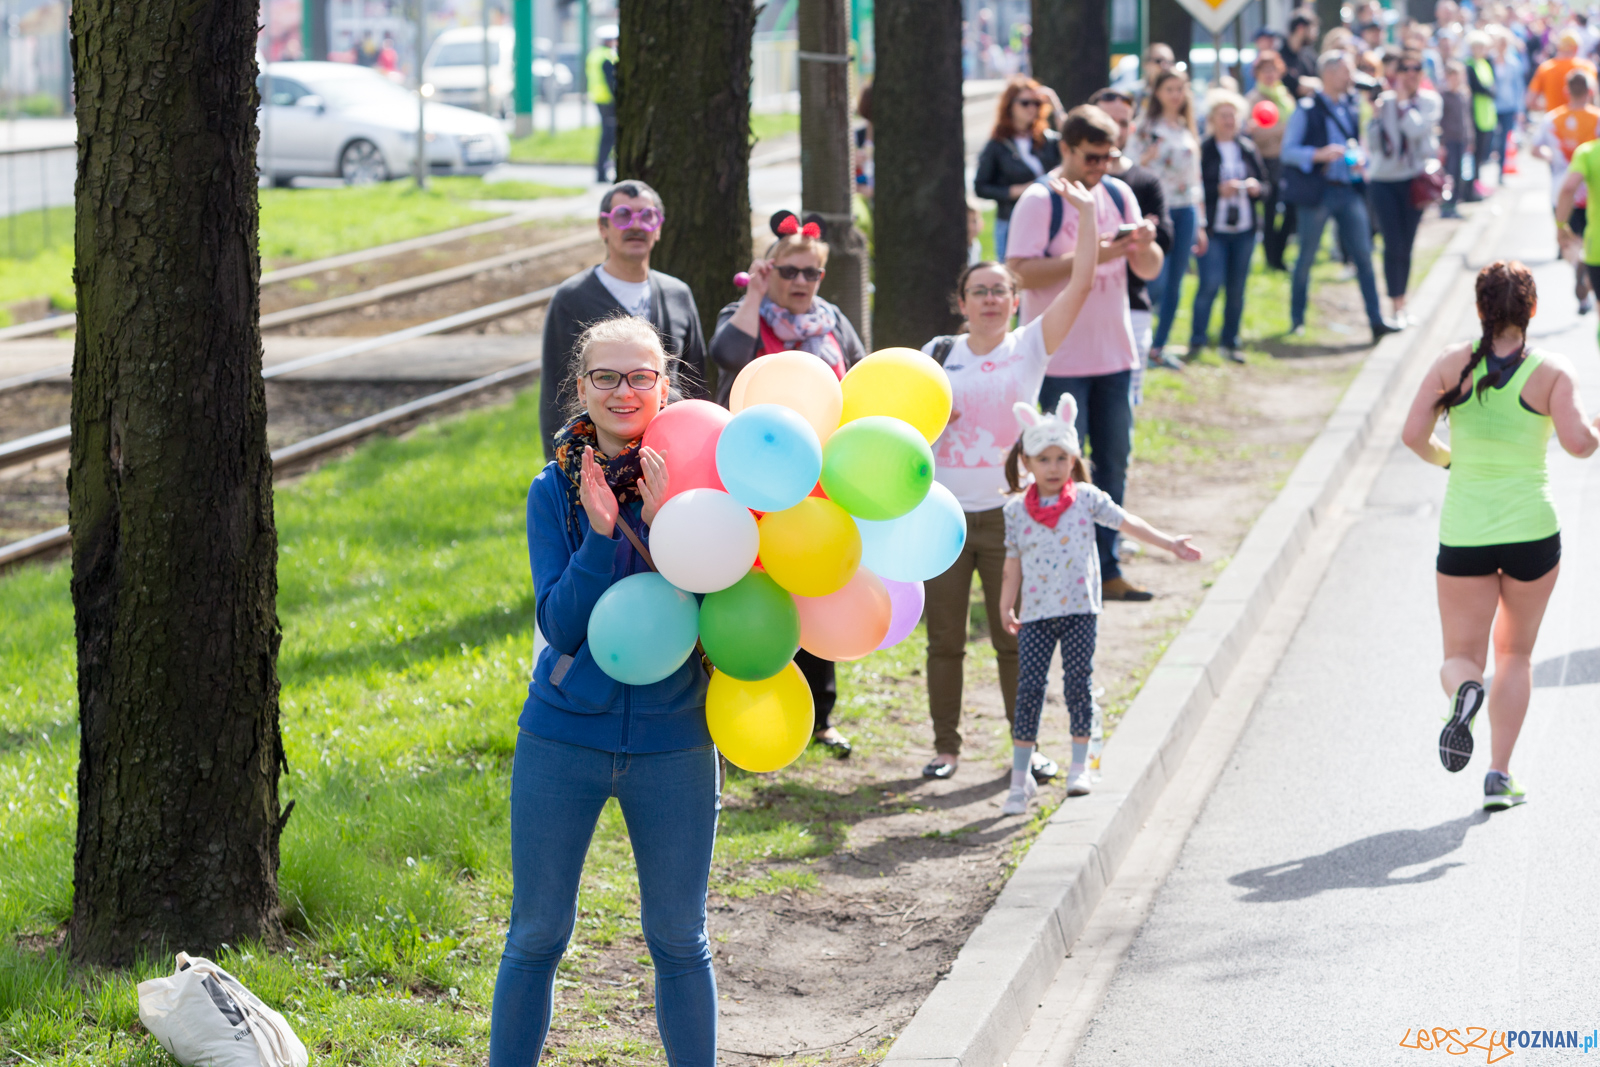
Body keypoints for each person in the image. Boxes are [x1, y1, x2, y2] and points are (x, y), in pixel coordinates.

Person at [491, 315, 719, 1065]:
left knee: (680, 938)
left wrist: (663, 528)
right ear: (580, 386)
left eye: (641, 376)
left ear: (666, 383)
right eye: (606, 377)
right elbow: (561, 624)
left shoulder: (713, 484)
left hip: (675, 737)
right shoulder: (551, 489)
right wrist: (599, 534)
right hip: (563, 736)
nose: (625, 392)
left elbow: (724, 611)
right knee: (536, 933)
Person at [919, 175, 1102, 782]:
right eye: (980, 291)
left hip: (1011, 519)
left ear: (1015, 301)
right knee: (945, 640)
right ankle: (945, 750)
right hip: (942, 518)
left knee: (1014, 639)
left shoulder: (1030, 347)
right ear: (962, 302)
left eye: (1001, 291)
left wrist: (1086, 213)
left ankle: (1028, 750)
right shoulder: (939, 354)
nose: (991, 299)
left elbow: (1081, 281)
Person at [1400, 260, 1600, 810]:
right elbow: (1580, 444)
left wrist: (1450, 462)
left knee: (1461, 656)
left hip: (1465, 531)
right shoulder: (1551, 370)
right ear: (1532, 309)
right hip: (1532, 532)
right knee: (1515, 653)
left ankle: (1465, 693)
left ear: (1481, 310)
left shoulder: (1451, 364)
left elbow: (1413, 434)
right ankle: (1498, 774)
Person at [998, 394, 1201, 811]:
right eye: (1043, 459)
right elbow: (1011, 563)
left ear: (1073, 459)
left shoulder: (1087, 498)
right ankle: (1020, 781)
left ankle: (1081, 765)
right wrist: (1005, 606)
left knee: (1078, 686)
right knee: (1029, 690)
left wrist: (1168, 543)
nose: (1053, 467)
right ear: (1027, 462)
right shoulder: (1016, 511)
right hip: (1036, 615)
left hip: (1080, 611)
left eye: (1061, 458)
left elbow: (1128, 523)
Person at [711, 211, 866, 755]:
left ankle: (820, 717)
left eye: (811, 274)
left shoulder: (833, 323)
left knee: (816, 581)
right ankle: (755, 706)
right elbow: (726, 355)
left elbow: (861, 381)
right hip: (757, 480)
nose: (801, 282)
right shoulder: (745, 316)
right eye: (789, 271)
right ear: (769, 270)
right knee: (765, 586)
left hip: (822, 481)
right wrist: (754, 295)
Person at [1007, 105, 1163, 602]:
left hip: (1114, 354)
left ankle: (1108, 568)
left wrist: (1143, 245)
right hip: (1059, 361)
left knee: (1113, 464)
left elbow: (1151, 270)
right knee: (1056, 470)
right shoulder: (1040, 200)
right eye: (1092, 157)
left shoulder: (1119, 192)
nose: (1102, 166)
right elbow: (1021, 272)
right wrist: (1098, 252)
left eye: (1110, 155)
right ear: (1067, 150)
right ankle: (1048, 571)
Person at [539, 181, 708, 458]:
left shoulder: (678, 294)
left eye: (647, 216)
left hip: (672, 456)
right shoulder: (571, 298)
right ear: (603, 227)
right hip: (599, 463)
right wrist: (563, 467)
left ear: (659, 227)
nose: (636, 225)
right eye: (623, 216)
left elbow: (697, 383)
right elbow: (554, 397)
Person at [1281, 50, 1401, 343]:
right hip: (1318, 193)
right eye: (1345, 71)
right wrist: (1318, 154)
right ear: (1329, 74)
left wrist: (1361, 160)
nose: (1351, 77)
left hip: (1347, 190)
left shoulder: (1352, 107)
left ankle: (1376, 319)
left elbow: (1359, 144)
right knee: (1306, 257)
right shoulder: (1307, 108)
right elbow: (1288, 151)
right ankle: (1297, 319)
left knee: (1363, 254)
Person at [1091, 87, 1178, 373]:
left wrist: (1144, 239)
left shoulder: (1145, 182)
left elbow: (1164, 240)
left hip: (1132, 304)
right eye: (1107, 120)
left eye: (1124, 122)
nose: (1116, 129)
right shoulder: (1062, 184)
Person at [1128, 70, 1206, 364]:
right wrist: (1144, 160)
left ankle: (1159, 346)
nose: (1176, 95)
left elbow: (1195, 177)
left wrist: (1201, 222)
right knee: (1156, 278)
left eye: (1180, 89)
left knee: (1176, 281)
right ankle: (1141, 338)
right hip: (1158, 208)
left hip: (1186, 208)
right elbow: (1129, 165)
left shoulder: (1187, 127)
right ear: (1157, 92)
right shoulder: (1146, 128)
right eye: (1170, 89)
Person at [1365, 49, 1441, 324]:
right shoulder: (1384, 101)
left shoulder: (1429, 101)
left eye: (1415, 68)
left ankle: (1402, 303)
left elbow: (1418, 132)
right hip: (1384, 181)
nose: (1409, 74)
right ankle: (1394, 305)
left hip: (1413, 181)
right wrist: (1379, 114)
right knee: (1392, 243)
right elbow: (1375, 145)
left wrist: (1404, 105)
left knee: (1406, 244)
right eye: (1403, 69)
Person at [1192, 90, 1267, 363]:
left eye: (1232, 116)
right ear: (1212, 119)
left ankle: (1230, 340)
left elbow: (1267, 185)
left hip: (1244, 230)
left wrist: (1256, 188)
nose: (1228, 121)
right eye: (1223, 116)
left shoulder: (1247, 148)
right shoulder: (1204, 149)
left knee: (1237, 288)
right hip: (1215, 230)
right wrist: (1217, 191)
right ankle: (1197, 339)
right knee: (1210, 284)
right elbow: (1194, 188)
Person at [974, 77, 1062, 260]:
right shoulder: (997, 146)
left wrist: (1055, 105)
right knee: (1014, 280)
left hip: (1048, 218)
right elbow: (980, 187)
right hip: (1012, 221)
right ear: (1010, 106)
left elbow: (1073, 142)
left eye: (1037, 103)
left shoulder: (1046, 140)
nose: (1032, 108)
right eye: (1025, 103)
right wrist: (1014, 191)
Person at [1532, 69, 1597, 312]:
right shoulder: (1597, 118)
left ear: (1566, 91)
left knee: (1571, 242)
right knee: (1588, 240)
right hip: (1589, 191)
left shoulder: (1552, 119)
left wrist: (1550, 155)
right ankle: (1586, 279)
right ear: (1591, 91)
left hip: (1561, 192)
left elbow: (1535, 148)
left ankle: (1579, 270)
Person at [1247, 49, 1297, 270]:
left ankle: (1279, 251)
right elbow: (1255, 134)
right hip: (1266, 161)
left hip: (1286, 160)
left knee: (1291, 209)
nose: (1269, 75)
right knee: (1269, 212)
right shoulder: (1253, 99)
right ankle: (1271, 257)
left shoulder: (1285, 96)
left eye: (1273, 70)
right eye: (1264, 70)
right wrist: (1282, 130)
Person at [1491, 27, 1528, 184]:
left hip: (1508, 106)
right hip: (1492, 106)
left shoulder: (1513, 63)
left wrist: (1520, 109)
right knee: (1493, 138)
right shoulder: (1490, 61)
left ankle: (1500, 171)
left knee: (1504, 139)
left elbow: (1519, 86)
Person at [1525, 30, 1595, 113]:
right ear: (1576, 48)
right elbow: (1592, 98)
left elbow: (1529, 101)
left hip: (1555, 122)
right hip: (1582, 122)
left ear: (1558, 47)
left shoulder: (1545, 68)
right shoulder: (1587, 67)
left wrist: (1548, 108)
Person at [1464, 31, 1499, 193]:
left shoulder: (1485, 63)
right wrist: (1489, 91)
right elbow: (1477, 87)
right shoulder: (1469, 65)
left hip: (1486, 113)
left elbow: (1492, 85)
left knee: (1483, 150)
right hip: (1475, 113)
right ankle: (1473, 185)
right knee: (1475, 152)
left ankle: (1478, 182)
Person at [1440, 60, 1476, 214]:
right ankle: (1447, 204)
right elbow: (1440, 121)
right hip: (1449, 139)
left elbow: (1467, 118)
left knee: (1461, 172)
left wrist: (1470, 138)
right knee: (1450, 172)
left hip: (1462, 138)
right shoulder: (1443, 96)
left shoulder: (1464, 94)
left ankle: (1455, 202)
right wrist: (1441, 143)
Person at [588, 26, 620, 183]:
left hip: (599, 99)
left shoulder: (594, 54)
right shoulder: (607, 57)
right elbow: (611, 82)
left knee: (606, 137)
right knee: (608, 137)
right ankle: (601, 173)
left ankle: (601, 171)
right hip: (608, 102)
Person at [1283, 8, 1324, 98]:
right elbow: (1296, 86)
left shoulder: (1309, 55)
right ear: (1300, 29)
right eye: (1313, 29)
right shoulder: (1280, 56)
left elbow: (1324, 79)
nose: (1315, 34)